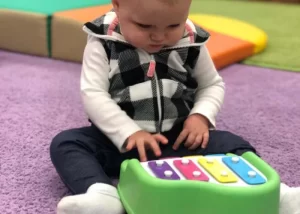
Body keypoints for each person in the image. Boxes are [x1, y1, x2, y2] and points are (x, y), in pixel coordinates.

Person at [50, 0, 300, 213]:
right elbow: (93, 93)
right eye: (144, 26)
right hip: (119, 142)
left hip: (180, 140)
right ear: (117, 5)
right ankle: (102, 196)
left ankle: (278, 194)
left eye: (173, 25)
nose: (160, 36)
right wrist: (129, 133)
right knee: (67, 143)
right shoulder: (102, 42)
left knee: (231, 143)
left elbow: (212, 85)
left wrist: (201, 117)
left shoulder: (191, 43)